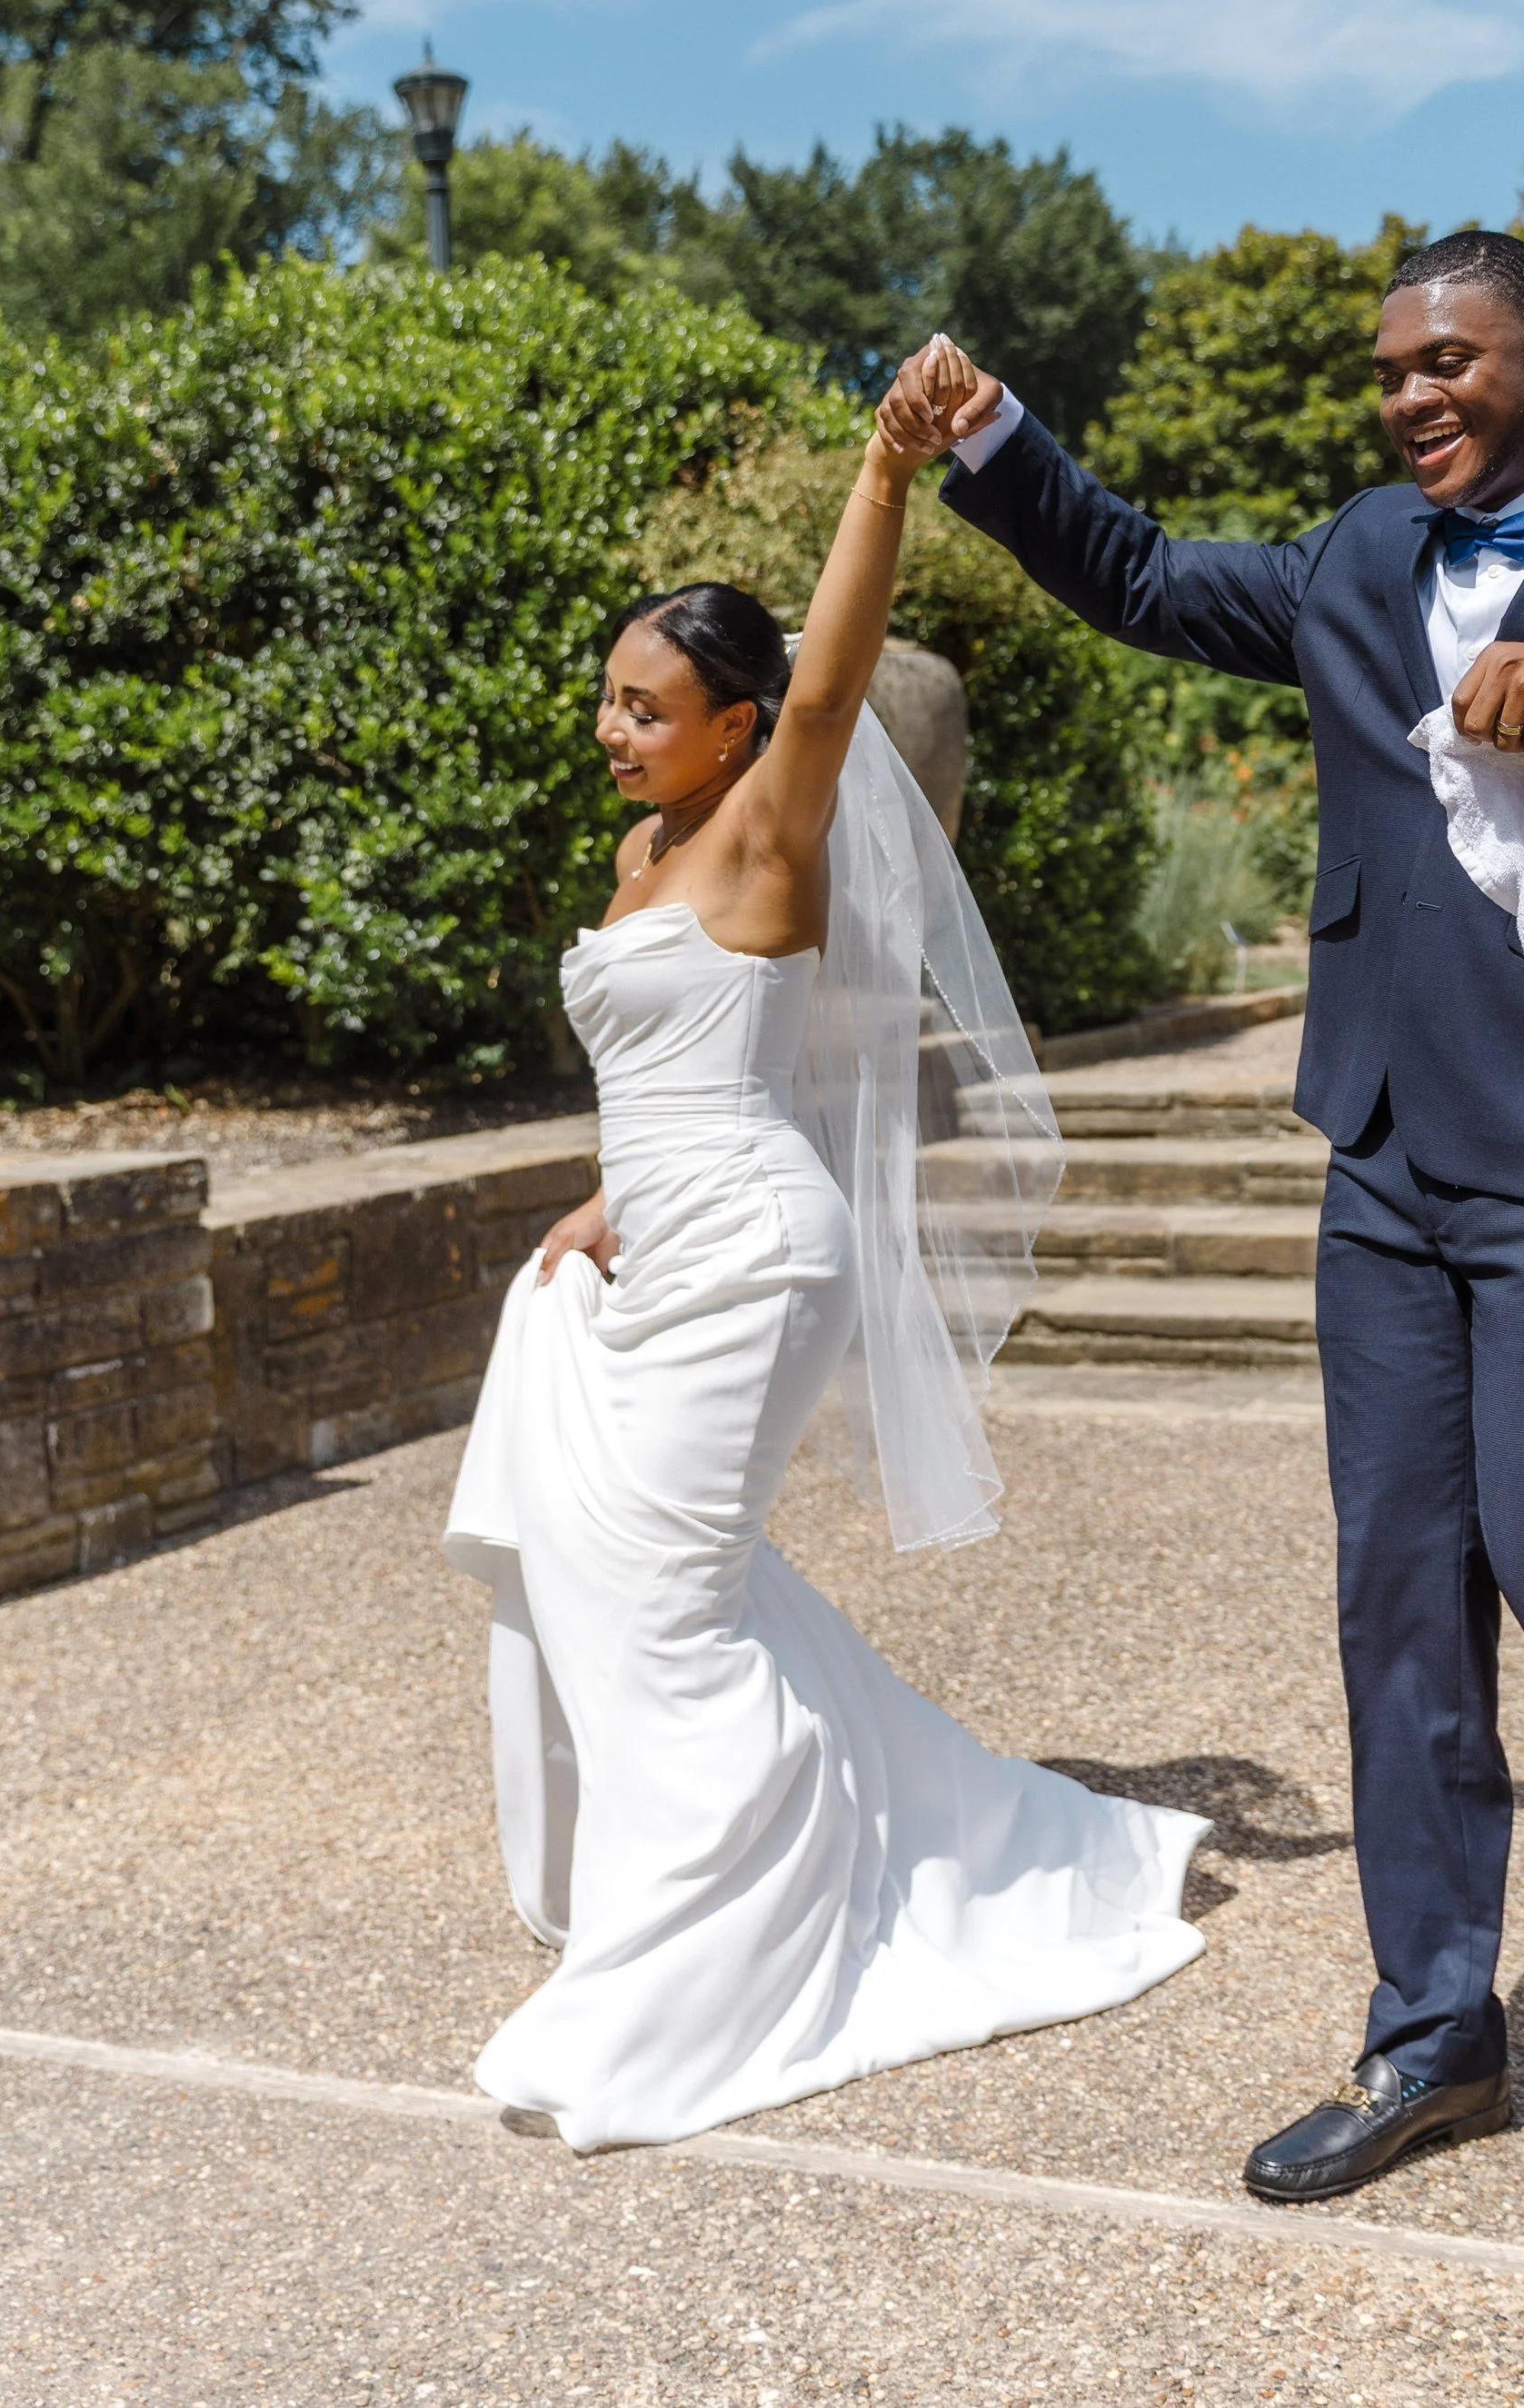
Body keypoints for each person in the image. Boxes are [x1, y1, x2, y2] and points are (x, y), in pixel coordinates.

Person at [882, 228, 1524, 2204]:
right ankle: (1431, 2027)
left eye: (1446, 360)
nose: (1409, 395)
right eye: (1388, 372)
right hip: (1383, 1148)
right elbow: (1135, 573)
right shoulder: (1363, 553)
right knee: (1398, 1592)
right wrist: (993, 431)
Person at [442, 338, 1207, 2154]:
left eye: (645, 705)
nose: (612, 727)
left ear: (730, 723)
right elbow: (678, 1056)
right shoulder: (641, 859)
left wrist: (885, 464)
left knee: (664, 1598)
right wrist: (615, 1186)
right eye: (608, 697)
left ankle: (702, 1956)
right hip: (666, 1228)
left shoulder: (767, 823)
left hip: (761, 1256)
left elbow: (834, 665)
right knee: (615, 1574)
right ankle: (970, 1826)